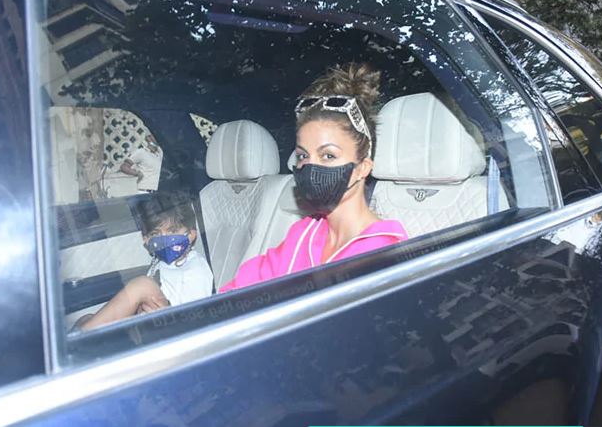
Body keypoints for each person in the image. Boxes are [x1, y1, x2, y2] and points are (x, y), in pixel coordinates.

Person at [220, 63, 408, 292]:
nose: (310, 167)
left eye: (328, 155)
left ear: (362, 168)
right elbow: (237, 293)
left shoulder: (384, 256)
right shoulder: (304, 234)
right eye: (303, 156)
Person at [79, 191, 213, 330]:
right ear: (147, 240)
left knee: (144, 285)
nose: (164, 240)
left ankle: (84, 338)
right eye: (156, 234)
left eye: (172, 231)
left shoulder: (196, 271)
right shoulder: (160, 262)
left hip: (172, 328)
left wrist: (165, 314)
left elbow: (196, 323)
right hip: (148, 324)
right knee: (86, 318)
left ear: (191, 235)